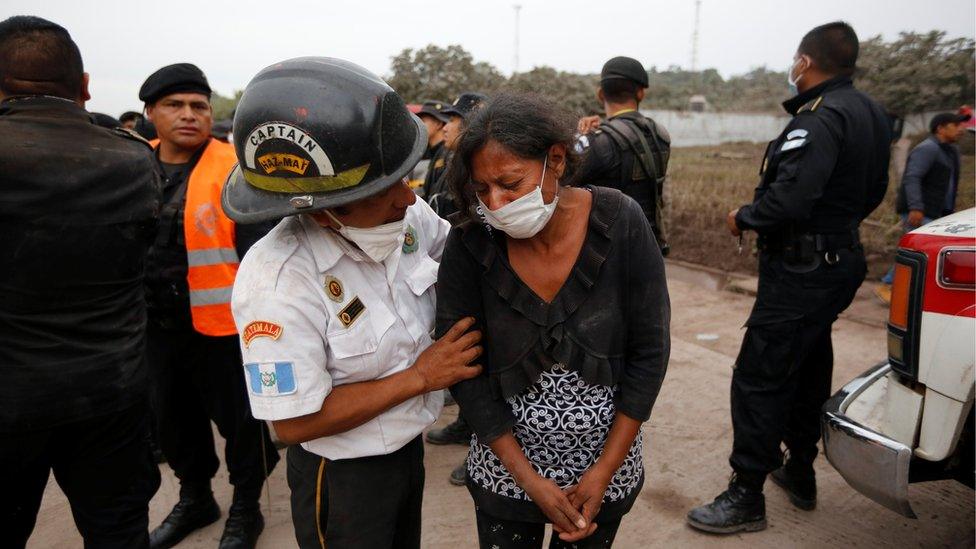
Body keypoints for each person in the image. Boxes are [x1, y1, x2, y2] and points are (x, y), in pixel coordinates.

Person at [223, 57, 484, 549]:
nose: (407, 201)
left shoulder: (402, 215)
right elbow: (294, 422)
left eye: (404, 180)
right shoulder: (277, 283)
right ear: (323, 213)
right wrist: (422, 377)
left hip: (406, 450)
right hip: (341, 475)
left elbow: (454, 257)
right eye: (386, 191)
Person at [437, 92, 670, 548]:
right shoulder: (470, 242)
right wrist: (530, 481)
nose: (497, 203)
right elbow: (465, 371)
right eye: (482, 190)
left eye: (511, 183)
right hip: (506, 473)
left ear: (556, 160)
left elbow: (650, 352)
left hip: (602, 472)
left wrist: (603, 471)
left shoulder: (621, 221)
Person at [687, 21, 892, 534]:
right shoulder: (870, 112)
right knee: (807, 362)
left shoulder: (817, 119)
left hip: (802, 268)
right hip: (839, 260)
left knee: (759, 375)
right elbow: (874, 191)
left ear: (805, 62)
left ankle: (745, 494)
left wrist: (744, 215)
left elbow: (790, 200)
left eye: (795, 59)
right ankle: (800, 469)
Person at [0, 15, 161, 548]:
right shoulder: (133, 158)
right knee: (118, 532)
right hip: (112, 392)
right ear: (86, 86)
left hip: (13, 400)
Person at [138, 63, 279, 549]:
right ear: (150, 112)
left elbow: (264, 254)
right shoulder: (131, 165)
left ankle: (246, 506)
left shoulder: (236, 171)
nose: (189, 115)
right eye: (175, 105)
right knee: (173, 423)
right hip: (154, 328)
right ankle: (196, 497)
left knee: (242, 427)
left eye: (199, 106)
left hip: (224, 330)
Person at [575, 56, 672, 254]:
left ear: (600, 94)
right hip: (650, 244)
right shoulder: (660, 134)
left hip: (607, 251)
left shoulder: (598, 141)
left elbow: (562, 179)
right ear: (641, 93)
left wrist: (581, 136)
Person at [875, 110, 970, 303]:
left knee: (924, 252)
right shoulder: (928, 149)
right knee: (918, 251)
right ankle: (888, 284)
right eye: (956, 125)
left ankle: (907, 290)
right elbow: (913, 177)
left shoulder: (949, 151)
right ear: (940, 128)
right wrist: (916, 207)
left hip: (936, 211)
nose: (961, 129)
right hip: (919, 211)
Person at [425, 92, 487, 219]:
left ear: (470, 125)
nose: (445, 128)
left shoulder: (478, 169)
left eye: (452, 120)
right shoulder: (456, 161)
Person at [412, 100, 449, 192]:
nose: (419, 125)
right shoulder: (432, 151)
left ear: (438, 124)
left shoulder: (447, 153)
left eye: (423, 121)